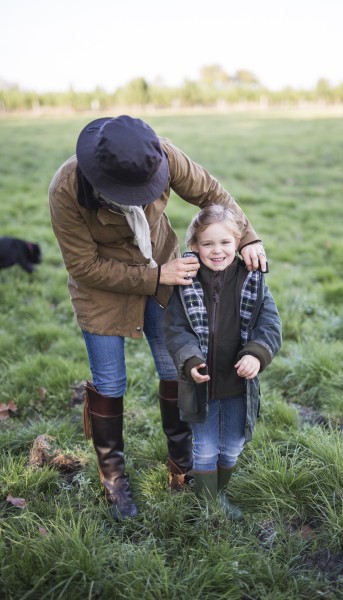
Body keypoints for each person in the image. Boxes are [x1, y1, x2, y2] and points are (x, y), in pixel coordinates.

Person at [48, 115, 267, 520]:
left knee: (176, 367)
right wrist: (154, 275)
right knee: (111, 381)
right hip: (103, 290)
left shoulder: (162, 155)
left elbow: (213, 193)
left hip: (164, 274)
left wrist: (249, 236)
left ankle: (182, 466)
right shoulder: (65, 188)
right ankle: (114, 480)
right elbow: (83, 266)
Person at [163, 204, 282, 521]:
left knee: (231, 446)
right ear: (194, 246)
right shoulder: (186, 283)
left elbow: (269, 326)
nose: (217, 251)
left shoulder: (251, 281)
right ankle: (206, 503)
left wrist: (256, 354)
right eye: (208, 244)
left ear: (239, 242)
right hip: (200, 383)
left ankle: (221, 493)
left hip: (237, 383)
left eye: (225, 243)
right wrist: (189, 360)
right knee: (204, 448)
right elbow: (176, 329)